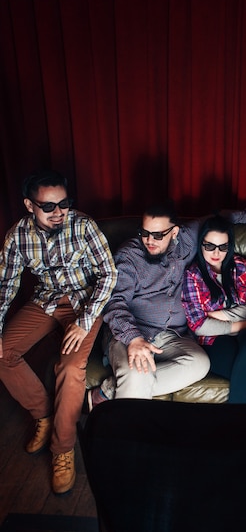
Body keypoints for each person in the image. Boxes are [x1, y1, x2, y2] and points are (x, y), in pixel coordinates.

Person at [89, 201, 246, 405]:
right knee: (137, 375)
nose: (149, 240)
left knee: (200, 363)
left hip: (172, 336)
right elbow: (115, 302)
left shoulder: (188, 239)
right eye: (144, 232)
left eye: (158, 235)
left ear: (174, 232)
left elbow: (223, 216)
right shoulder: (128, 256)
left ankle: (112, 390)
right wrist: (133, 339)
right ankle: (128, 427)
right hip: (130, 334)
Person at [0, 169, 117, 494]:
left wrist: (85, 319)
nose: (58, 212)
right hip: (46, 300)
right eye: (48, 206)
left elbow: (108, 275)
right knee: (2, 352)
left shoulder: (83, 225)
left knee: (69, 367)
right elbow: (5, 285)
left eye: (63, 203)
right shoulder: (17, 236)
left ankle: (62, 449)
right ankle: (43, 413)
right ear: (29, 205)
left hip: (85, 302)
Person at [182, 215, 246, 403]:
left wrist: (216, 315)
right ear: (201, 244)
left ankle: (231, 427)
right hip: (214, 340)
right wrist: (245, 323)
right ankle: (241, 428)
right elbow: (200, 326)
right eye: (209, 246)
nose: (216, 253)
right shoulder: (193, 275)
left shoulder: (239, 265)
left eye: (223, 247)